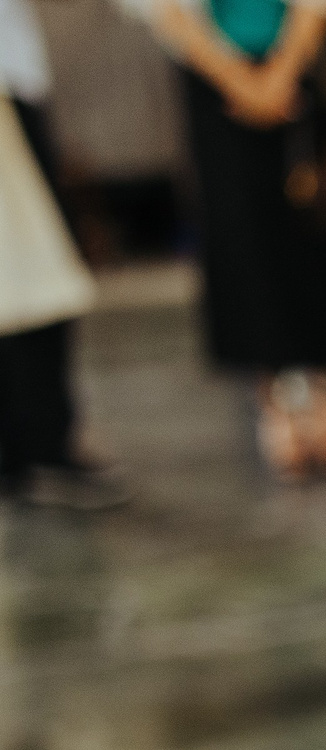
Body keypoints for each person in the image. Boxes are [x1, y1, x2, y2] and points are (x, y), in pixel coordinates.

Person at [141, 0, 326, 476]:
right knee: (242, 236)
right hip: (214, 70)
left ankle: (323, 392)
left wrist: (285, 67)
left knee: (315, 229)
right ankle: (275, 396)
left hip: (301, 59)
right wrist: (237, 79)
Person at [0, 0, 124, 509]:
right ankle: (34, 446)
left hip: (15, 79)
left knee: (37, 272)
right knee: (27, 276)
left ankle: (39, 443)